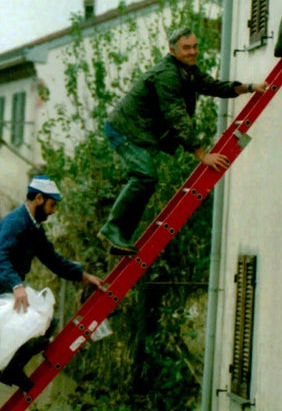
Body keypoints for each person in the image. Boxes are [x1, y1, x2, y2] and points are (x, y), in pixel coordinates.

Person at [98, 27, 269, 255]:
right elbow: (177, 117)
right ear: (172, 50)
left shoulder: (187, 70)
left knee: (146, 179)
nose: (193, 52)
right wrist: (202, 155)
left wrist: (248, 87)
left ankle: (119, 237)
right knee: (145, 175)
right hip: (124, 130)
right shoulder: (168, 75)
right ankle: (113, 230)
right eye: (186, 48)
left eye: (195, 46)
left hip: (139, 132)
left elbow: (212, 86)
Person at [0, 175, 104, 411]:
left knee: (46, 323)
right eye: (52, 206)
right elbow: (0, 260)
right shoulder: (14, 223)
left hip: (11, 290)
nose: (53, 212)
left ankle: (12, 369)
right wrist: (17, 285)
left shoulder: (34, 229)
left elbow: (52, 259)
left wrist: (83, 276)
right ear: (39, 199)